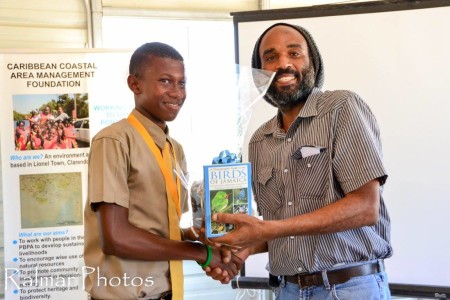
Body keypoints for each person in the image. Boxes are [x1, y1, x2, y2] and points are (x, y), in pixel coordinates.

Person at [208, 23, 393, 299]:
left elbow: (365, 208)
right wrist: (246, 248)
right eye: (270, 58)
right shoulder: (260, 141)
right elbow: (282, 229)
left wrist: (267, 229)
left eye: (294, 53)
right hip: (287, 290)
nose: (283, 63)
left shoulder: (341, 108)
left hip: (348, 289)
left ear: (313, 64)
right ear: (260, 76)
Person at [83, 42, 242, 300]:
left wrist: (204, 237)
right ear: (135, 85)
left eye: (182, 83)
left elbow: (157, 230)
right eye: (165, 81)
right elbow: (116, 237)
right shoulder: (114, 141)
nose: (177, 93)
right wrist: (201, 254)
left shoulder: (174, 149)